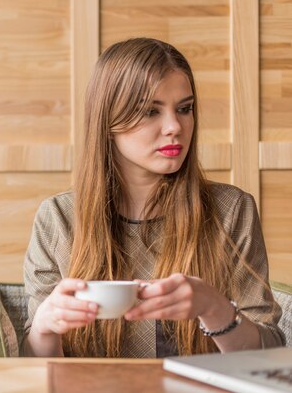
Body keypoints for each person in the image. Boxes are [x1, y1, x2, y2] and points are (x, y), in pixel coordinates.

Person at [21, 37, 285, 358]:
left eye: (184, 109)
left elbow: (269, 351)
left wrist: (214, 308)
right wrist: (44, 328)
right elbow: (37, 368)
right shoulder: (58, 218)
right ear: (108, 122)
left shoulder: (231, 210)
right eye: (150, 111)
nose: (175, 126)